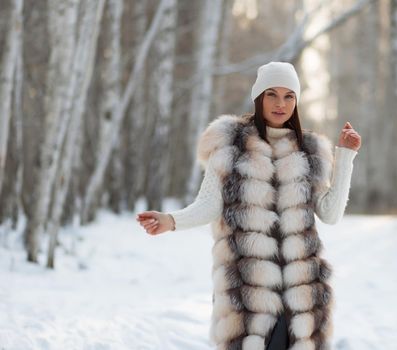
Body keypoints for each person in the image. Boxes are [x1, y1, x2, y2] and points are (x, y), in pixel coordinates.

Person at [137, 61, 361, 350]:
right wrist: (171, 220)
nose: (281, 104)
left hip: (301, 292)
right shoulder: (231, 145)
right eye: (272, 94)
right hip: (247, 288)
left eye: (288, 96)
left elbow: (329, 213)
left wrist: (345, 157)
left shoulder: (309, 152)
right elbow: (209, 203)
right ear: (258, 98)